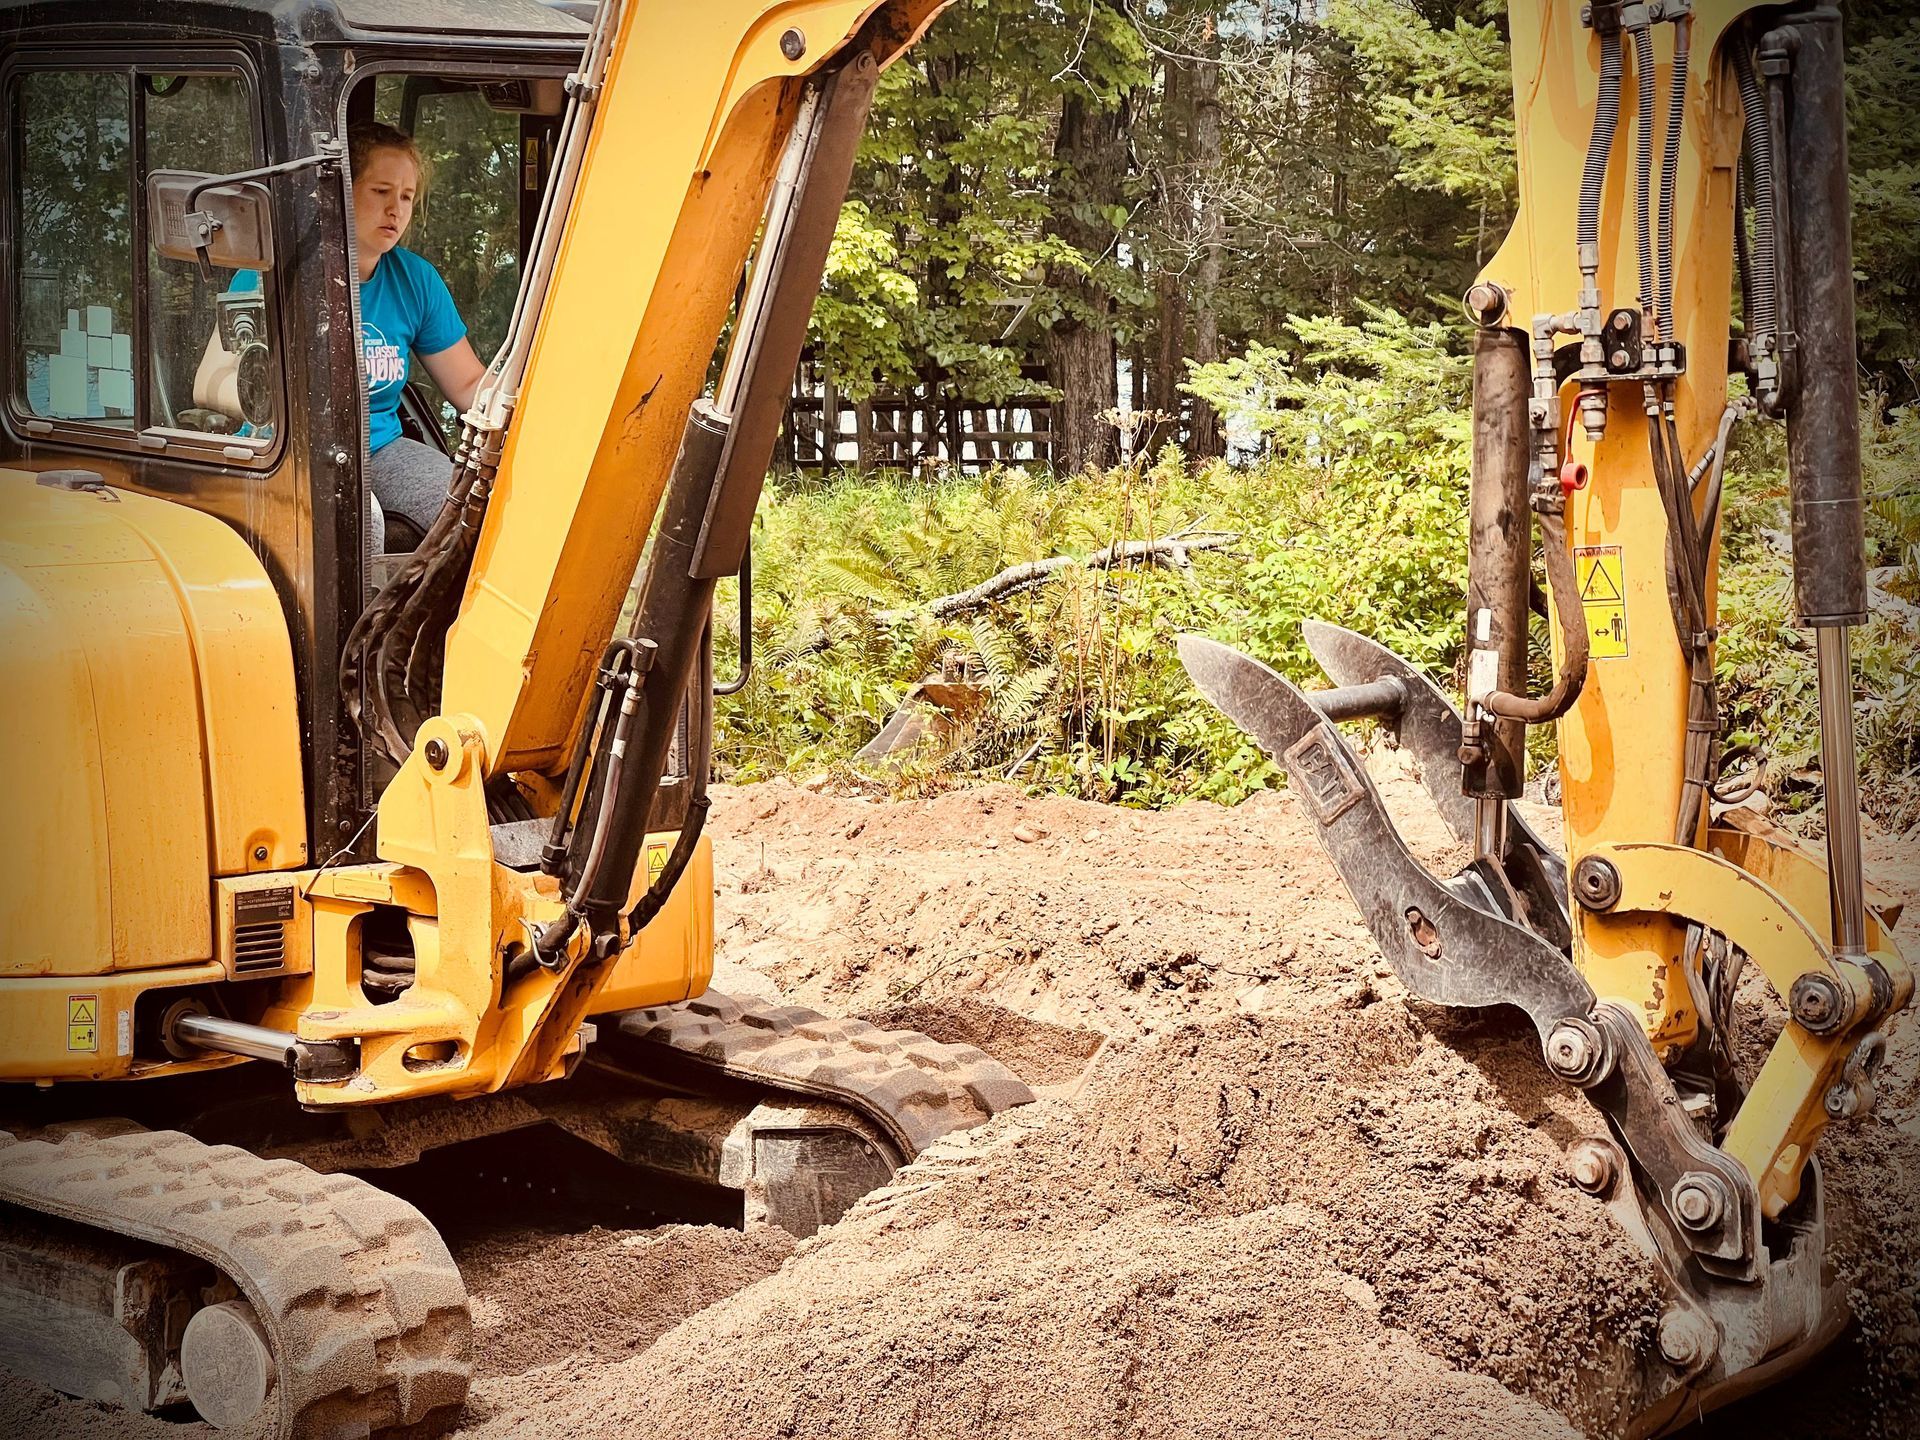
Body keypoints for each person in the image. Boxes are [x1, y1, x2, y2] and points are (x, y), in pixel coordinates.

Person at [196, 121, 487, 538]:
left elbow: (469, 383)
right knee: (356, 522)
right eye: (381, 191)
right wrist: (271, 399)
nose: (396, 210)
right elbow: (208, 381)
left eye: (406, 197)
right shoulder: (276, 272)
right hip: (289, 454)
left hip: (379, 449)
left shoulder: (415, 280)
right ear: (341, 191)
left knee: (466, 505)